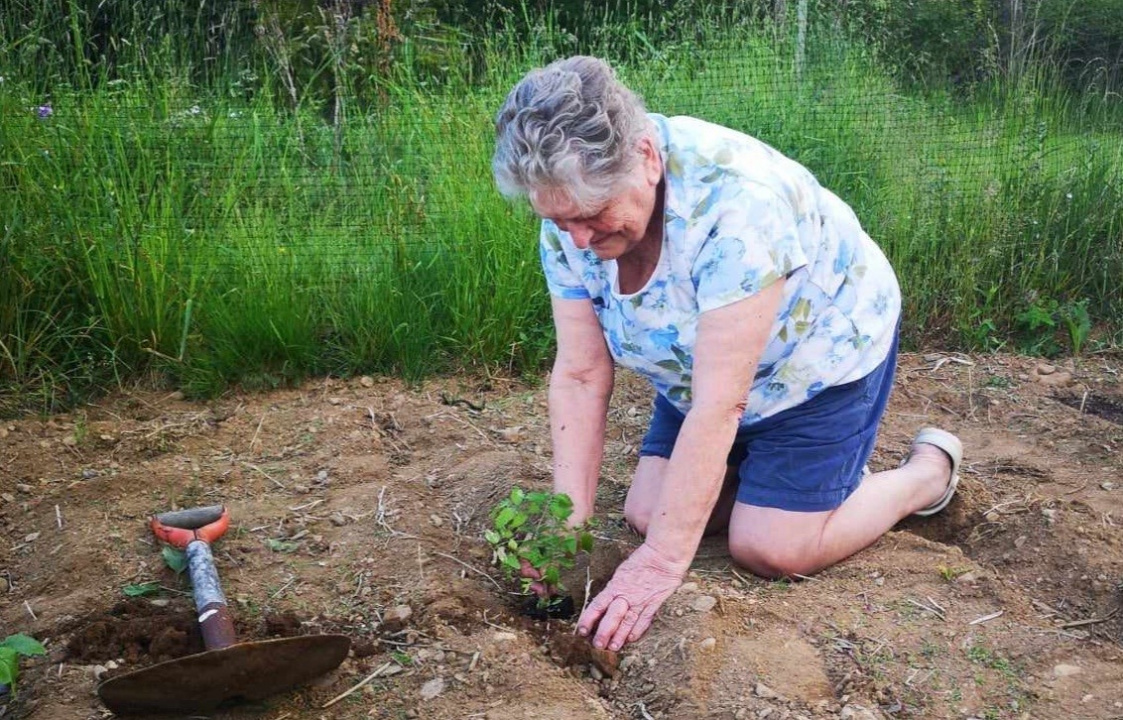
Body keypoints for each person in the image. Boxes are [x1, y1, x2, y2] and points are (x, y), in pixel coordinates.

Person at [490, 56, 963, 654]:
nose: (578, 240)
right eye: (558, 221)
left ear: (646, 157)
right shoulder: (571, 214)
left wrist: (662, 561)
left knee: (769, 547)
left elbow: (721, 403)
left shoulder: (739, 207)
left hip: (812, 365)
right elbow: (582, 374)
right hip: (697, 371)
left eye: (589, 217)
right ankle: (786, 478)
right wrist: (567, 528)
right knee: (646, 511)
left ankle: (923, 477)